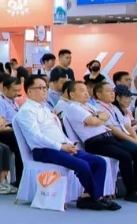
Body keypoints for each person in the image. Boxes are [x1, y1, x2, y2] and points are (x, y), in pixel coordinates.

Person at [14, 76, 116, 210]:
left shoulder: (45, 108)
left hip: (62, 146)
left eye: (45, 87)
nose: (44, 90)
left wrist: (69, 144)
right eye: (40, 88)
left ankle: (90, 197)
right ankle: (97, 198)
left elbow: (57, 131)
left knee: (99, 162)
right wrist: (61, 146)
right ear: (29, 91)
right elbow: (35, 137)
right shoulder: (26, 111)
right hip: (44, 150)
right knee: (82, 165)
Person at [63, 80, 137, 203]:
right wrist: (97, 118)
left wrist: (97, 118)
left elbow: (103, 117)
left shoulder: (88, 106)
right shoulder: (73, 107)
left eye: (86, 90)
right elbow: (94, 121)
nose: (86, 94)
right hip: (95, 142)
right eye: (82, 91)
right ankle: (131, 192)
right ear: (72, 94)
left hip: (107, 137)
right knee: (126, 156)